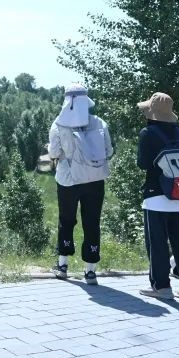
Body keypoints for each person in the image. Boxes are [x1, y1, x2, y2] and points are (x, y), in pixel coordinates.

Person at [136, 92, 179, 302]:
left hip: (156, 196)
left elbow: (143, 163)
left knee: (158, 245)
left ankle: (162, 287)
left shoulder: (148, 133)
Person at [48, 84, 113, 284]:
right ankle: (90, 270)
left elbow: (53, 154)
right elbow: (109, 152)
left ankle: (63, 265)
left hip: (68, 180)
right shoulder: (99, 122)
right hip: (94, 179)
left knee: (66, 220)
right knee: (92, 222)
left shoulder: (58, 125)